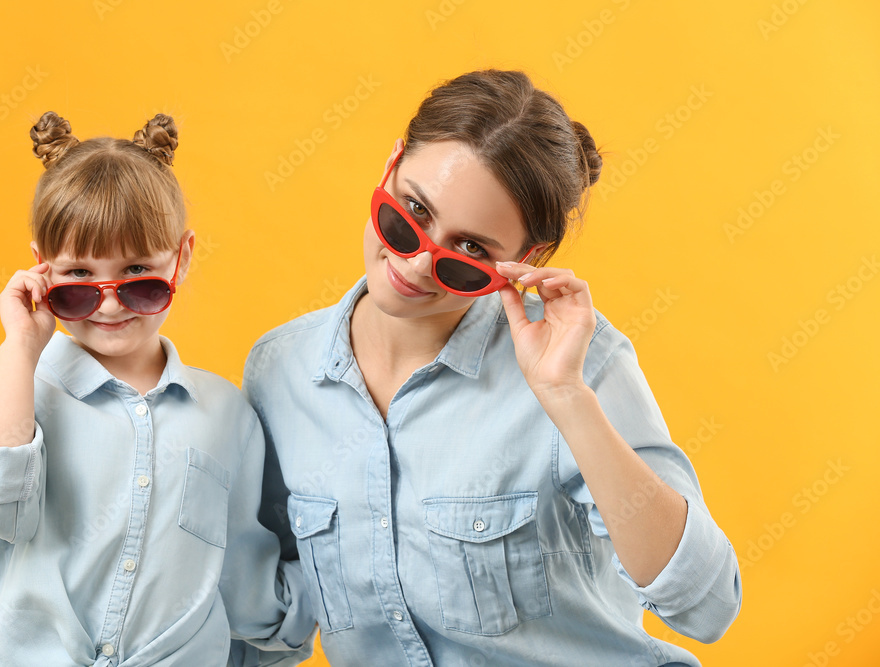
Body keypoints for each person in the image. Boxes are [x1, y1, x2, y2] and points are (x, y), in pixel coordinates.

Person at [244, 69, 742, 665]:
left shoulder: (582, 363)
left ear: (527, 261)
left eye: (471, 250)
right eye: (410, 212)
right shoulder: (280, 370)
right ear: (390, 166)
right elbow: (283, 610)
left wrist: (566, 398)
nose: (420, 263)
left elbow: (708, 606)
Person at [0, 112, 315, 667]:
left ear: (181, 258)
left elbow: (241, 575)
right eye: (78, 277)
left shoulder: (227, 414)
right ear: (41, 269)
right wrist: (20, 345)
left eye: (137, 273)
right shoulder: (7, 385)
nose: (108, 304)